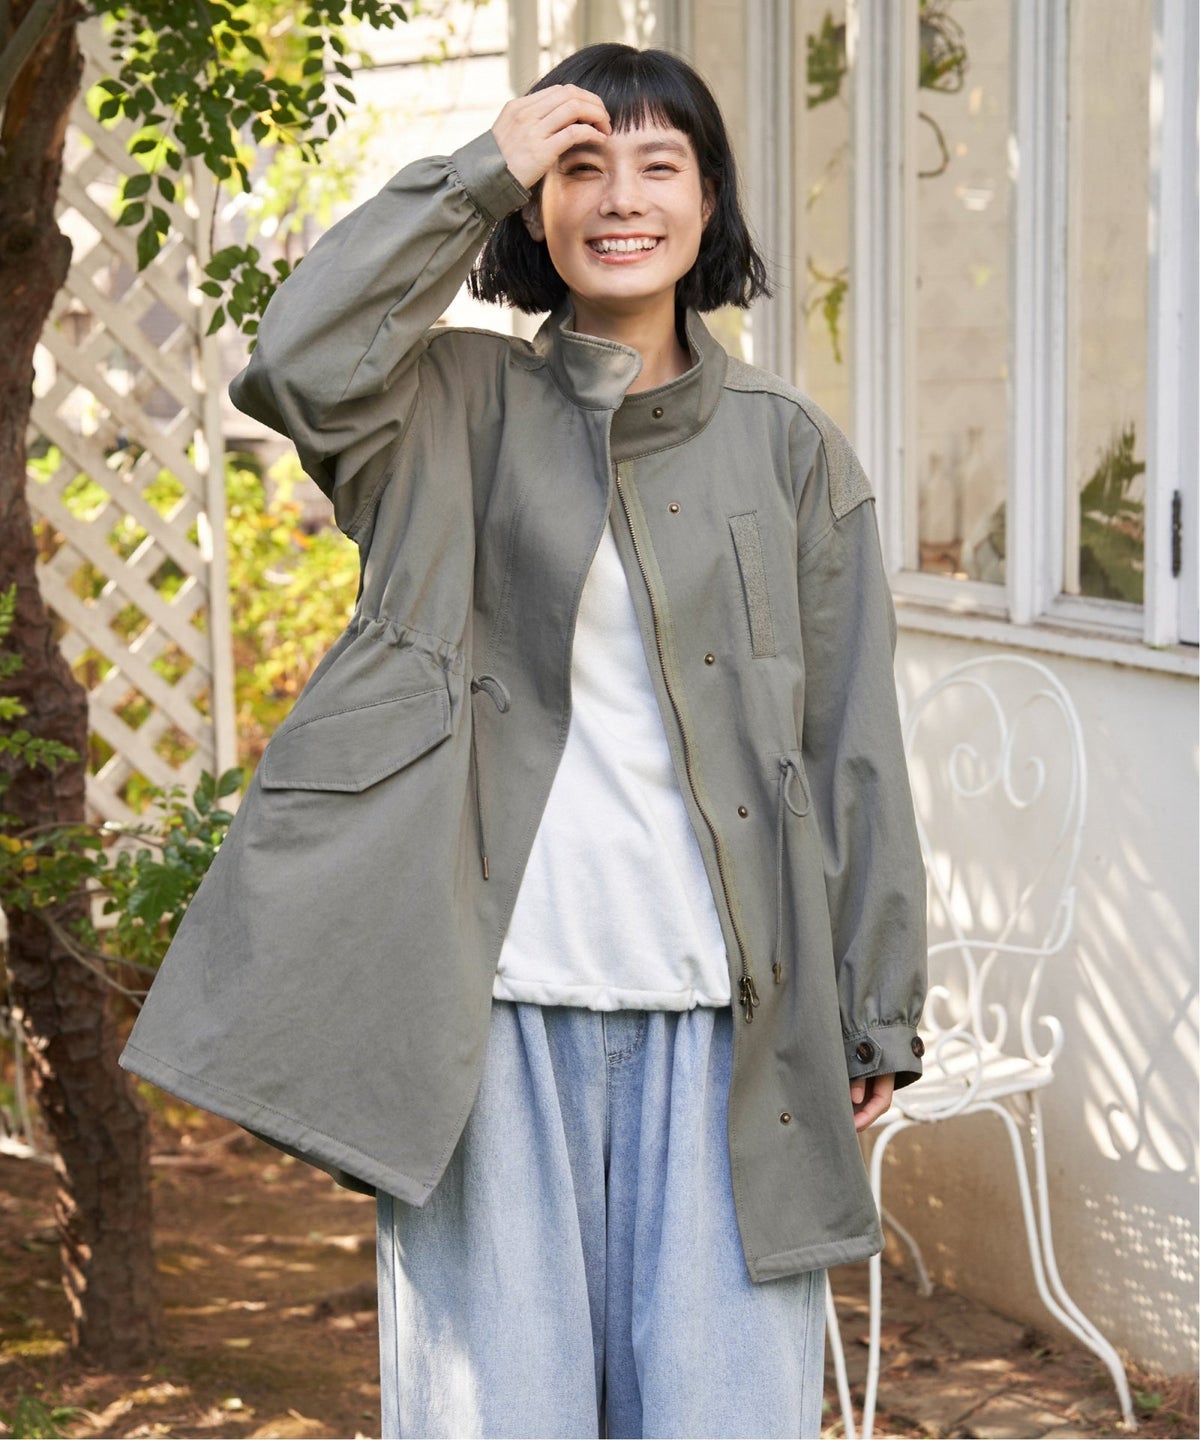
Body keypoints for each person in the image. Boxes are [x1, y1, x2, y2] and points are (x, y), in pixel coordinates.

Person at [120, 41, 927, 1440]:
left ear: (711, 201)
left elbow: (853, 736)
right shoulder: (442, 405)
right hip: (486, 1022)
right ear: (532, 210)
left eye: (660, 165)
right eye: (578, 166)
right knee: (496, 1416)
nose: (621, 198)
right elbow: (296, 362)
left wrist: (878, 1001)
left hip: (723, 1027)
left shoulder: (790, 450)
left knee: (726, 1415)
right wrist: (471, 172)